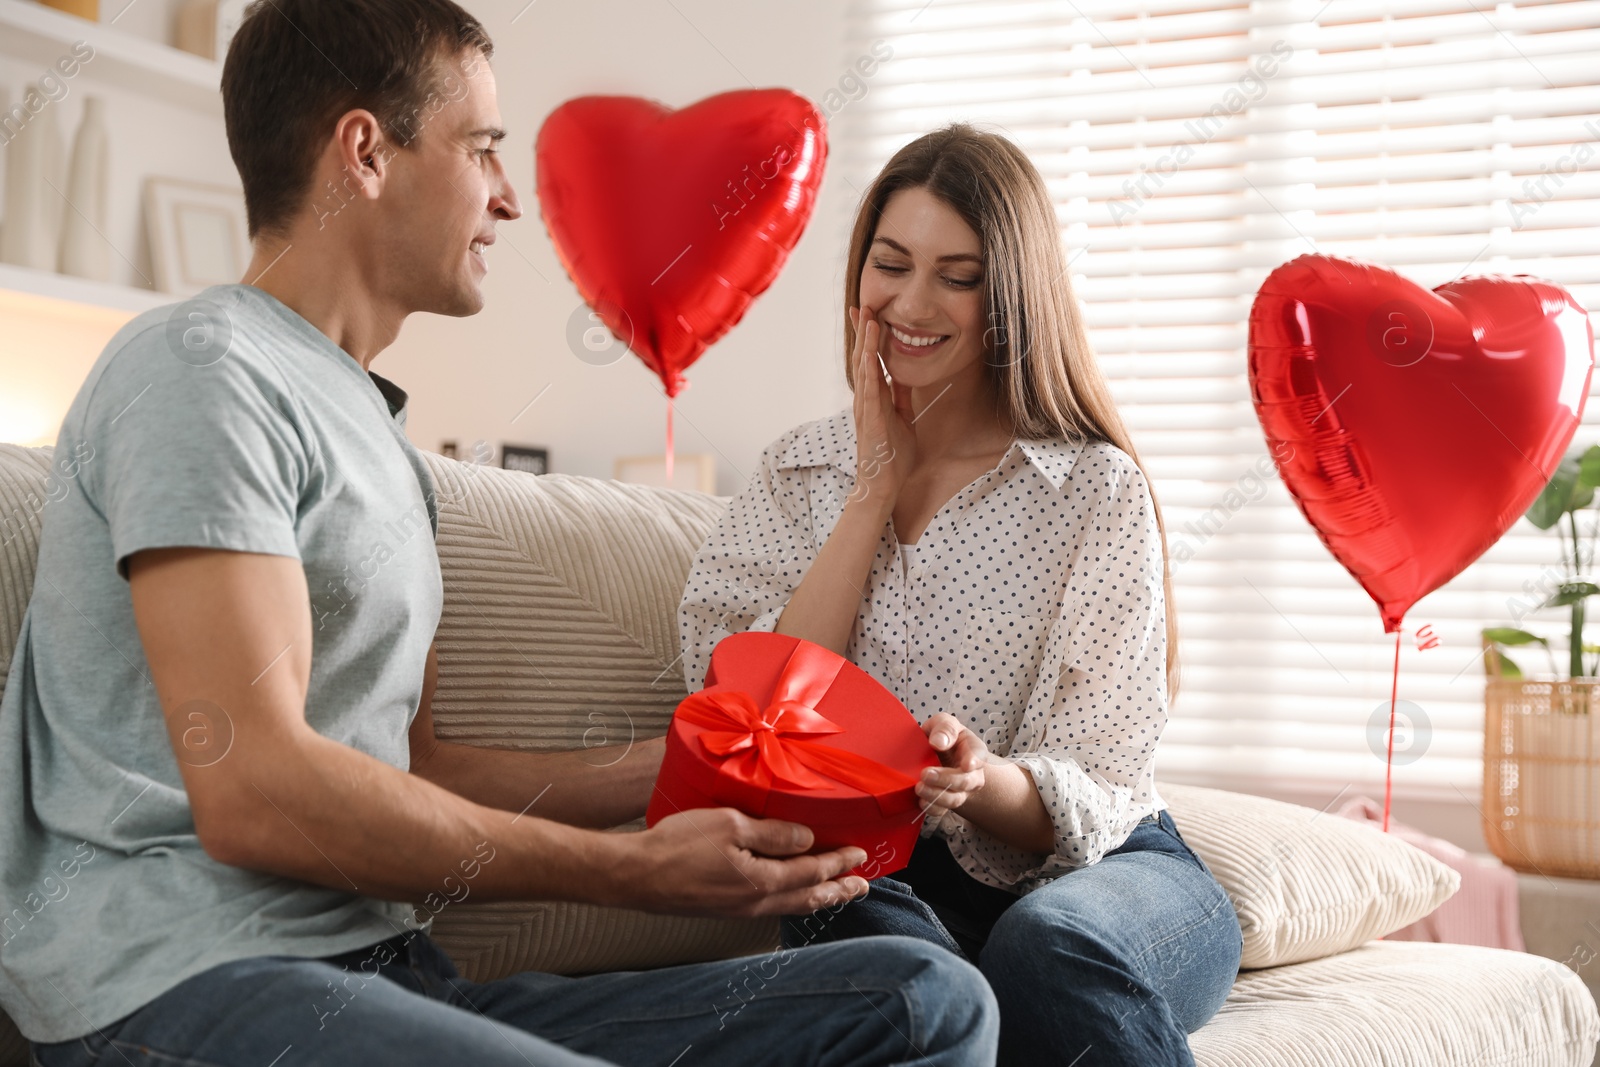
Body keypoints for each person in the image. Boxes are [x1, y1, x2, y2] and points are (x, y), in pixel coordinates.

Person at [0, 3, 1000, 1065]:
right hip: (184, 981)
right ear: (365, 152)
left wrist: (701, 761)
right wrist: (630, 868)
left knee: (926, 995)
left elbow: (417, 770)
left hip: (389, 972)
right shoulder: (202, 368)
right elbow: (253, 789)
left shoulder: (381, 443)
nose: (510, 198)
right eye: (482, 149)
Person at [679, 124, 1244, 1066]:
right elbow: (755, 720)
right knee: (918, 982)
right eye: (889, 264)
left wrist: (983, 782)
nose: (911, 302)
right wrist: (872, 489)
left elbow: (1106, 772)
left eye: (958, 274)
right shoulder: (798, 475)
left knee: (1042, 946)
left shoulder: (1092, 490)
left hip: (1108, 867)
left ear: (1009, 295)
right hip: (881, 875)